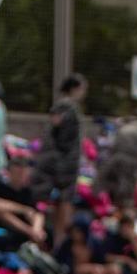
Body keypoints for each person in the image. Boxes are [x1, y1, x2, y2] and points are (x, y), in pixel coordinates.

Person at [38, 73, 87, 246]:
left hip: (59, 161)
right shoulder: (68, 105)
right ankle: (61, 241)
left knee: (59, 203)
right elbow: (58, 124)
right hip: (65, 163)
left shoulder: (62, 105)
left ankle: (58, 241)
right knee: (65, 202)